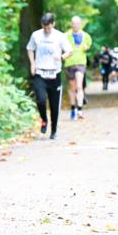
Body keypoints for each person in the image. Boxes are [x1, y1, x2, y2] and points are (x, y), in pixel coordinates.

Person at [27, 12, 72, 140]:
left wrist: (62, 56)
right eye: (45, 27)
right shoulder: (36, 35)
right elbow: (30, 48)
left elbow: (69, 51)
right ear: (42, 25)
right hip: (40, 73)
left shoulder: (60, 36)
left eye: (49, 27)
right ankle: (44, 119)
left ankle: (54, 130)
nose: (47, 30)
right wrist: (32, 64)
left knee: (54, 104)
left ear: (53, 24)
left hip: (54, 73)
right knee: (40, 100)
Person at [63, 15, 91, 120]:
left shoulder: (86, 36)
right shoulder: (65, 35)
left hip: (80, 63)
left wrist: (86, 47)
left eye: (77, 23)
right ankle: (73, 108)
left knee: (79, 86)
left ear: (80, 24)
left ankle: (80, 110)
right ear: (71, 24)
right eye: (73, 23)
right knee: (72, 88)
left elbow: (88, 45)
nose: (75, 25)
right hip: (69, 63)